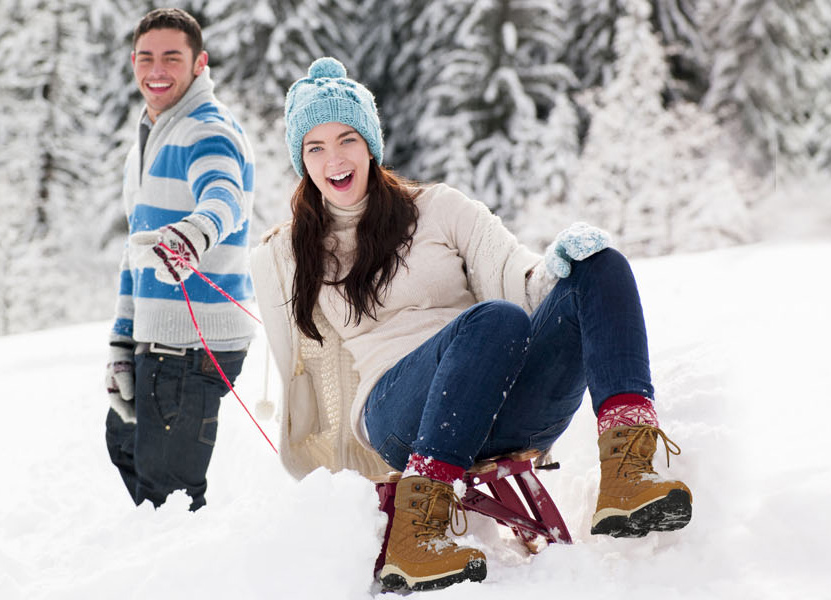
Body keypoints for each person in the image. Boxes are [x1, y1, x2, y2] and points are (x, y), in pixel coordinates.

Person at [250, 57, 692, 592]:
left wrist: (556, 267)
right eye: (314, 147)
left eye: (346, 139)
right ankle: (419, 529)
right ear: (301, 160)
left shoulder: (438, 208)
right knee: (495, 322)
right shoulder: (293, 252)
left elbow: (517, 277)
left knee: (601, 265)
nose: (333, 159)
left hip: (500, 394)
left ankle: (628, 470)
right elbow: (295, 357)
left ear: (371, 145)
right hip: (398, 413)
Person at [104, 8, 255, 512]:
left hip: (192, 343)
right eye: (146, 57)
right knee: (127, 451)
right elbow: (136, 249)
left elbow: (224, 196)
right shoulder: (152, 134)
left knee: (166, 501)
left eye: (172, 56)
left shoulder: (204, 129)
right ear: (132, 62)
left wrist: (194, 234)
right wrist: (122, 342)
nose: (157, 69)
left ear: (199, 63)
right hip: (155, 336)